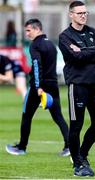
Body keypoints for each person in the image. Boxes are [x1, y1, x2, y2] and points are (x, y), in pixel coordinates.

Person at [59, 1, 95, 177]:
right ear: (71, 14)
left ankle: (82, 154)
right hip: (77, 85)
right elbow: (74, 57)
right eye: (79, 13)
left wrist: (84, 51)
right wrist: (92, 51)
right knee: (76, 125)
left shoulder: (94, 33)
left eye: (85, 13)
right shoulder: (65, 36)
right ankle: (78, 166)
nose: (83, 15)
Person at [6, 18, 70, 157]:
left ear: (37, 29)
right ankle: (69, 146)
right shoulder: (51, 45)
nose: (27, 34)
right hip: (53, 84)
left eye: (29, 30)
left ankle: (22, 147)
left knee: (26, 116)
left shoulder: (35, 45)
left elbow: (36, 66)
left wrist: (38, 86)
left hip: (38, 86)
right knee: (58, 117)